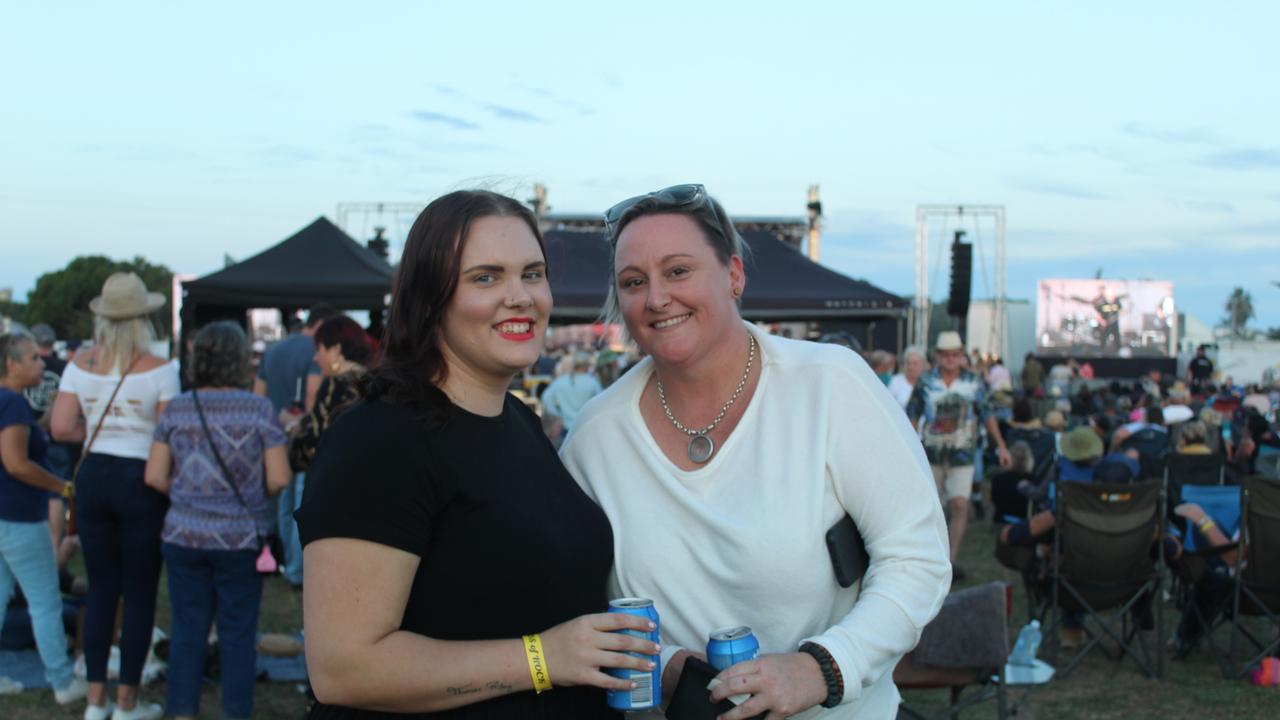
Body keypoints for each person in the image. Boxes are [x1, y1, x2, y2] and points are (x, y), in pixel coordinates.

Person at [563, 183, 950, 718]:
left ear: (734, 275)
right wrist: (669, 664)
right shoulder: (594, 438)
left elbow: (917, 557)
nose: (656, 298)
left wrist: (822, 669)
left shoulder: (829, 386)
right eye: (633, 282)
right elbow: (581, 601)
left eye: (678, 271)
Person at [294, 190, 656, 719]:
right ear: (429, 298)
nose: (521, 296)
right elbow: (344, 668)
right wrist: (542, 658)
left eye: (532, 274)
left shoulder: (519, 422)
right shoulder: (380, 438)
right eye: (486, 277)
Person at [143, 322, 291, 720]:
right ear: (240, 360)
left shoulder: (176, 408)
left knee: (187, 631)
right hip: (241, 540)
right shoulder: (259, 409)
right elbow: (279, 478)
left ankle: (181, 712)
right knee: (238, 635)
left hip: (183, 536)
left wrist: (191, 496)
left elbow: (154, 476)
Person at [50, 272, 179, 720]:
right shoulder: (162, 369)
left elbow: (62, 427)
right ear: (144, 318)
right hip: (141, 479)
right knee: (141, 591)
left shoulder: (78, 364)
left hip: (93, 475)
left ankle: (94, 699)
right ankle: (127, 701)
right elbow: (168, 436)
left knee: (100, 588)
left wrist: (99, 433)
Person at [0, 332, 88, 708]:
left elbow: (28, 438)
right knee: (45, 600)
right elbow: (17, 463)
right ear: (11, 363)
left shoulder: (13, 405)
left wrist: (53, 411)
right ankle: (62, 680)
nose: (41, 364)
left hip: (6, 516)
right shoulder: (12, 406)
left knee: (3, 595)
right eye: (33, 358)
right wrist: (62, 486)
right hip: (19, 516)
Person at [907, 331, 1012, 577]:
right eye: (946, 354)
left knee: (960, 504)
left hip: (963, 454)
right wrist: (909, 446)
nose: (951, 359)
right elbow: (912, 415)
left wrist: (1001, 445)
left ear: (961, 355)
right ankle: (932, 556)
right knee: (932, 507)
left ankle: (950, 561)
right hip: (930, 452)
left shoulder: (974, 382)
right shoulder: (925, 381)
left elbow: (987, 415)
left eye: (955, 354)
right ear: (938, 356)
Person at [255, 303, 337, 589]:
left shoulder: (273, 350)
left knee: (282, 502)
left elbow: (259, 396)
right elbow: (313, 395)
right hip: (301, 435)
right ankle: (296, 570)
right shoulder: (315, 350)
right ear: (320, 324)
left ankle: (277, 557)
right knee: (301, 502)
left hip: (274, 436)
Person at [286, 315, 372, 475]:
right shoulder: (376, 383)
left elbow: (308, 450)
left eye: (319, 349)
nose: (316, 358)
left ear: (335, 349)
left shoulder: (335, 387)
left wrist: (292, 429)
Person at [538, 352, 604, 435]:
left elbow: (546, 397)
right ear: (586, 365)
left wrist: (556, 414)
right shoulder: (592, 382)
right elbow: (602, 402)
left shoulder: (560, 381)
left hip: (565, 427)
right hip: (585, 426)